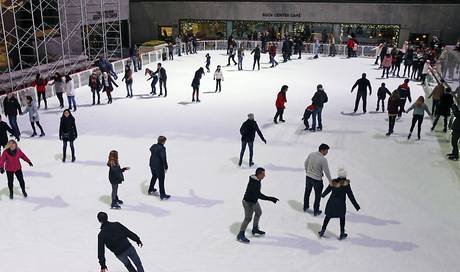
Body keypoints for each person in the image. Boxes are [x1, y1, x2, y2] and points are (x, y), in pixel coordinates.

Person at [236, 167, 279, 244]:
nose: (264, 175)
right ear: (259, 174)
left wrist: (270, 198)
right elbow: (259, 194)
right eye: (263, 174)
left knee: (258, 212)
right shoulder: (254, 182)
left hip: (254, 201)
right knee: (248, 218)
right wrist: (270, 198)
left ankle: (255, 229)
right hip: (247, 202)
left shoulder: (258, 180)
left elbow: (257, 194)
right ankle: (240, 234)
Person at [318, 167, 360, 240]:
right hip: (341, 205)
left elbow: (327, 190)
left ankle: (322, 231)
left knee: (327, 217)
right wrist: (356, 206)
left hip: (331, 203)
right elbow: (351, 196)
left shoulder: (333, 182)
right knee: (342, 218)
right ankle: (342, 233)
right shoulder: (346, 185)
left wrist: (322, 195)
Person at [304, 143, 332, 216]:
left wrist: (308, 171)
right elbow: (327, 171)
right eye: (326, 151)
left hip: (308, 178)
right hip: (317, 180)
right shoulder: (323, 159)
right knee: (317, 196)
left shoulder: (311, 154)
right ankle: (316, 211)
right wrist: (330, 181)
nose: (327, 153)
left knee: (307, 193)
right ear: (322, 150)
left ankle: (305, 206)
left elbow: (305, 163)